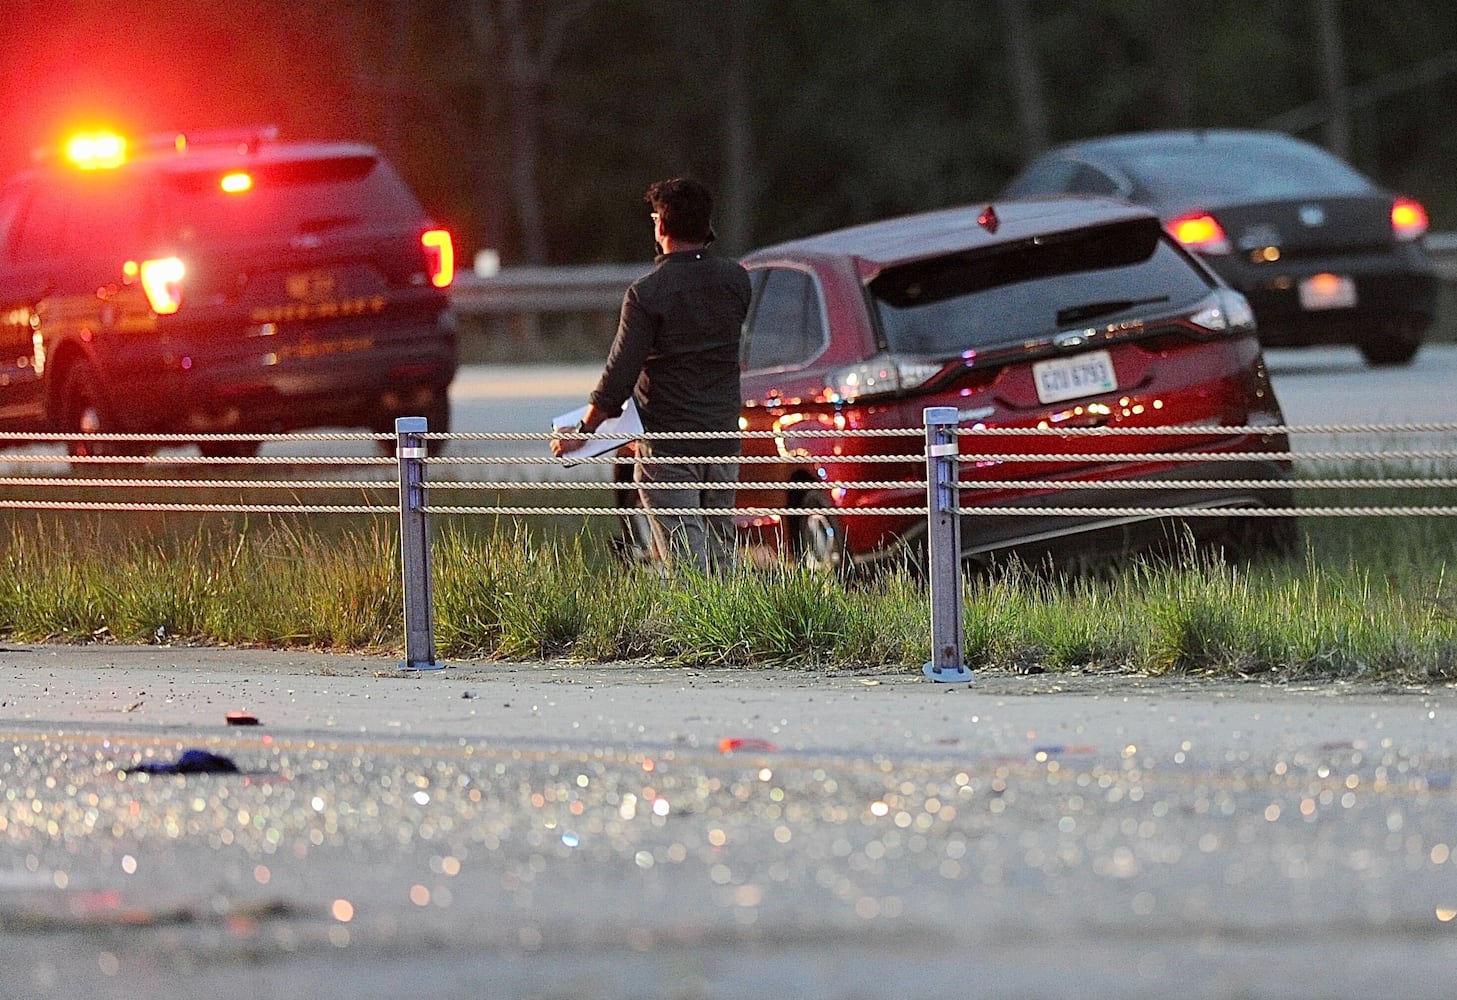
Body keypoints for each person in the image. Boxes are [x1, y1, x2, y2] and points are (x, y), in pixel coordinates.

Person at [552, 177, 751, 574]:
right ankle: (731, 632)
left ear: (661, 225)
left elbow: (618, 379)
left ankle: (701, 634)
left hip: (669, 445)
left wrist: (583, 431)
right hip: (722, 437)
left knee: (687, 561)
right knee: (720, 551)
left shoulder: (647, 294)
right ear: (706, 225)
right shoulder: (736, 280)